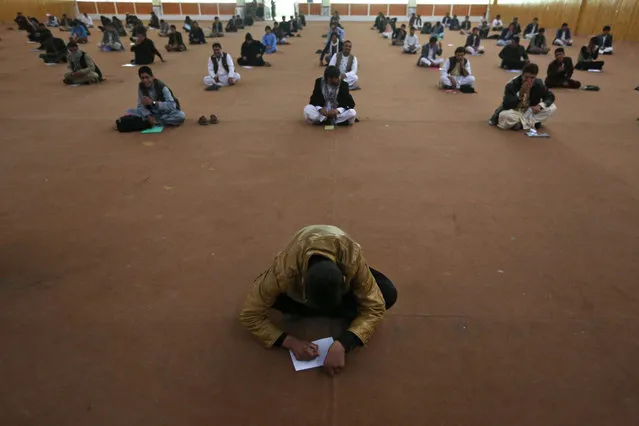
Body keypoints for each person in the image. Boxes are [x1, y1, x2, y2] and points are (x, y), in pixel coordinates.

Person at [239, 225, 395, 375]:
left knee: (388, 293)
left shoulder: (352, 258)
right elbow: (250, 315)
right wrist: (290, 342)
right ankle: (335, 310)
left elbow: (375, 306)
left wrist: (344, 343)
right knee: (267, 295)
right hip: (295, 284)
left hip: (340, 274)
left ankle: (318, 310)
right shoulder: (284, 271)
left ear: (344, 279)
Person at [488, 63, 556, 130]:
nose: (529, 80)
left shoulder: (539, 84)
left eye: (532, 78)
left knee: (552, 107)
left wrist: (539, 106)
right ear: (522, 75)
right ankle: (532, 123)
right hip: (516, 110)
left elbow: (550, 96)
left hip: (530, 110)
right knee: (504, 116)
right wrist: (520, 93)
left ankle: (521, 124)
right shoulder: (512, 84)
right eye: (526, 77)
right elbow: (507, 104)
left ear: (535, 77)